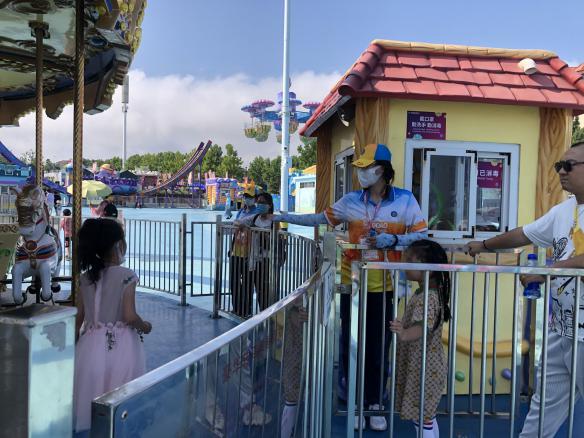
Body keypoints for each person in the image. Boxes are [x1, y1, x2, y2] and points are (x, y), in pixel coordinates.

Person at [273, 143, 427, 431]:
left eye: (366, 168)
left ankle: (374, 403)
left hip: (385, 286)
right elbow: (320, 218)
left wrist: (394, 240)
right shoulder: (351, 200)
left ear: (381, 170)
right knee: (350, 344)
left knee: (379, 346)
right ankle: (353, 400)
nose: (361, 173)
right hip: (351, 285)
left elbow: (422, 235)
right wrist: (285, 217)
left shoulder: (405, 200)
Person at [465, 141, 584, 437]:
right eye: (559, 165)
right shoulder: (564, 210)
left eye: (569, 166)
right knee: (540, 414)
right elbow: (524, 233)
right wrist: (484, 245)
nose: (561, 172)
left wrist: (548, 271)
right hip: (562, 330)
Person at [73, 218, 152, 432]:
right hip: (122, 346)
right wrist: (145, 326)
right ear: (118, 245)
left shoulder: (85, 278)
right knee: (121, 397)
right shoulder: (126, 275)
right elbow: (129, 316)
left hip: (90, 346)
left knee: (92, 394)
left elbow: (78, 319)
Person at [390, 240, 450, 438]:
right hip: (423, 365)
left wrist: (404, 333)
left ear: (428, 268)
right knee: (426, 416)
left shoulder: (428, 297)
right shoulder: (425, 293)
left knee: (422, 416)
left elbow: (423, 327)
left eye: (409, 260)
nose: (404, 264)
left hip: (425, 368)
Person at [234, 192, 279, 311]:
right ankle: (246, 313)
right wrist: (244, 226)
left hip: (266, 261)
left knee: (263, 291)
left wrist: (258, 231)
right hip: (252, 259)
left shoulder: (274, 220)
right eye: (258, 202)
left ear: (269, 205)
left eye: (263, 202)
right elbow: (237, 222)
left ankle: (266, 314)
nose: (260, 205)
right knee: (247, 288)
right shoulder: (254, 218)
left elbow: (275, 240)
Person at [229, 182, 259, 318]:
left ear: (255, 199)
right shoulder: (241, 211)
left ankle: (246, 310)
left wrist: (243, 225)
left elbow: (251, 226)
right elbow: (235, 226)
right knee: (234, 281)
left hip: (249, 252)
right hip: (236, 250)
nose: (247, 199)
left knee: (247, 283)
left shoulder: (257, 213)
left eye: (250, 197)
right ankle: (236, 308)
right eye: (246, 196)